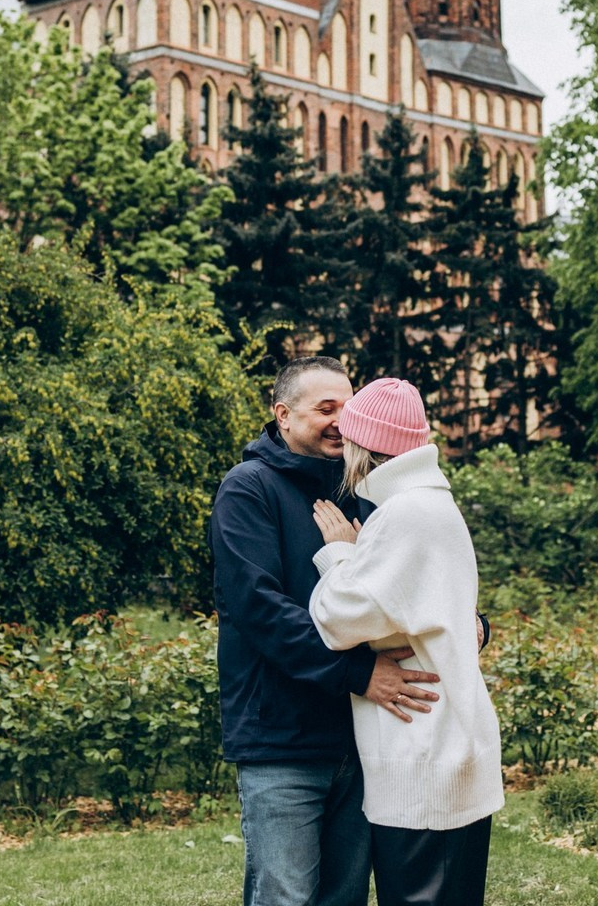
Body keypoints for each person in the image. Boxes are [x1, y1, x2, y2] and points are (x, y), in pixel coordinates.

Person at [210, 356, 442, 906]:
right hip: (281, 742)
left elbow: (413, 580)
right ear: (283, 415)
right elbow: (262, 610)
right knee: (286, 897)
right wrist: (360, 672)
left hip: (363, 740)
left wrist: (470, 622)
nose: (343, 419)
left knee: (344, 898)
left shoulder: (366, 490)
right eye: (326, 408)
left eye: (349, 406)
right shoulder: (248, 490)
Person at [308, 377, 504, 906]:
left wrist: (339, 555)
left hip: (425, 752)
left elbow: (337, 619)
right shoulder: (429, 503)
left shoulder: (406, 513)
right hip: (439, 744)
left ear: (364, 445)